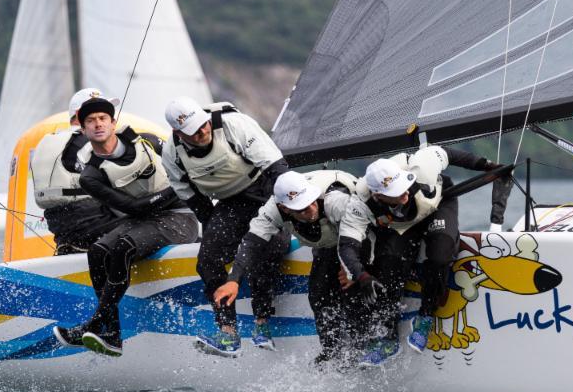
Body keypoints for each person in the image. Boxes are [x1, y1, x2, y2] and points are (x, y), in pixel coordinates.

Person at [53, 96, 199, 356]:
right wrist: (174, 190)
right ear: (83, 130)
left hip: (179, 216)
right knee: (98, 251)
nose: (98, 124)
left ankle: (98, 323)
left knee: (123, 247)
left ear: (113, 122)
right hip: (143, 216)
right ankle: (111, 333)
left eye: (102, 119)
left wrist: (177, 191)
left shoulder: (148, 142)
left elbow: (186, 167)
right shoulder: (90, 175)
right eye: (90, 121)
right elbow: (134, 209)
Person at [338, 145, 500, 366]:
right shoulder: (359, 202)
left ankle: (425, 316)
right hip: (401, 224)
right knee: (389, 261)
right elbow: (347, 245)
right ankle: (388, 337)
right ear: (377, 195)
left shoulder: (422, 165)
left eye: (403, 186)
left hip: (437, 206)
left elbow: (448, 153)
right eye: (395, 192)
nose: (404, 193)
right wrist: (361, 276)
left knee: (440, 255)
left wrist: (487, 165)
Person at [161, 96, 290, 357]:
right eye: (193, 132)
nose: (202, 133)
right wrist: (213, 229)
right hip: (229, 203)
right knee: (207, 260)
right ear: (177, 133)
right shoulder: (172, 152)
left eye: (203, 125)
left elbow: (278, 169)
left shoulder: (235, 125)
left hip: (264, 190)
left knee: (269, 246)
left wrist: (284, 210)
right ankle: (228, 333)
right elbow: (189, 194)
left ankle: (262, 322)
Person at [213, 170, 362, 365]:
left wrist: (352, 266)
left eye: (311, 201)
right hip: (328, 243)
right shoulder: (272, 210)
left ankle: (367, 344)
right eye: (301, 208)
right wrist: (233, 280)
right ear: (284, 208)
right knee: (318, 295)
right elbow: (250, 244)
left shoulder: (335, 202)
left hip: (362, 236)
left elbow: (367, 229)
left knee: (355, 286)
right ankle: (332, 353)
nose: (310, 210)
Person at [29, 88, 123, 254]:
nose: (102, 121)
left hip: (62, 228)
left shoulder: (52, 141)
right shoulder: (89, 142)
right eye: (98, 113)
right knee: (157, 222)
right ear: (82, 115)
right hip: (96, 223)